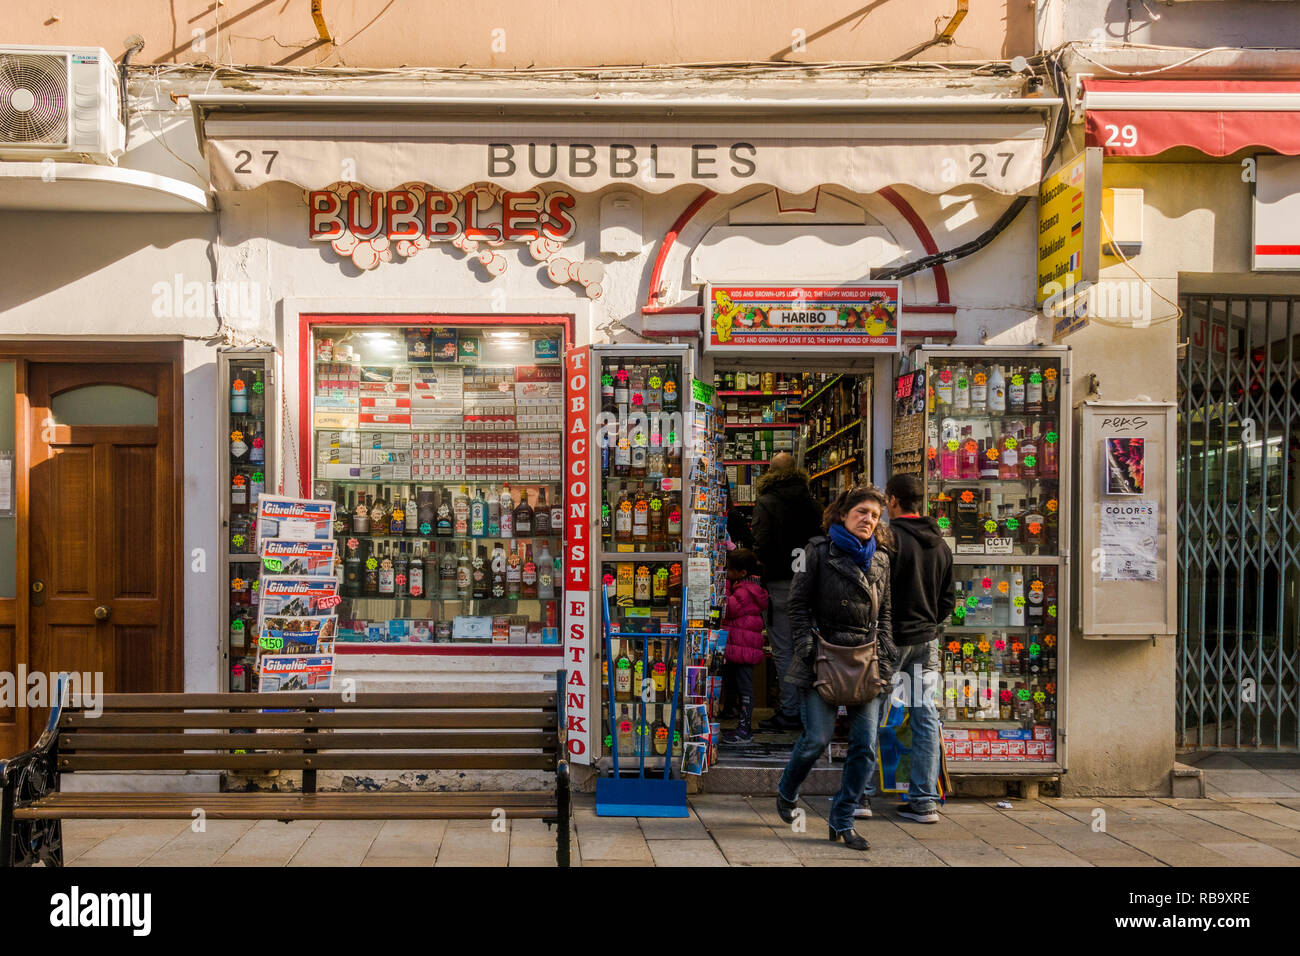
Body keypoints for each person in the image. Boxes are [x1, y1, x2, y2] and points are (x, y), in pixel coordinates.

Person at [775, 485, 896, 851]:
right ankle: (786, 790)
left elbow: (886, 611)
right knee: (816, 739)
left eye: (874, 516)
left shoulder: (882, 560)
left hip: (865, 659)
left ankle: (842, 820)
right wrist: (808, 646)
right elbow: (796, 605)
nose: (868, 520)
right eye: (861, 512)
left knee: (865, 746)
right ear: (843, 514)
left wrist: (886, 652)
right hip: (824, 656)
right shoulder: (817, 551)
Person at [864, 473, 954, 824]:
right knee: (925, 715)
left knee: (870, 713)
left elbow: (875, 591)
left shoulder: (888, 541)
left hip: (889, 640)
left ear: (893, 501)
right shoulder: (941, 545)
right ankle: (924, 800)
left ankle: (861, 796)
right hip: (925, 642)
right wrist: (928, 621)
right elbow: (948, 600)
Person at [751, 452, 823, 733]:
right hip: (810, 584)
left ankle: (790, 711)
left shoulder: (767, 502)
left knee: (783, 648)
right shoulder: (812, 503)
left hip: (780, 582)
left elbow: (762, 543)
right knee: (809, 647)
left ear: (770, 472)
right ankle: (810, 712)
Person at [719, 549, 769, 744]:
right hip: (740, 646)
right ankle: (741, 725)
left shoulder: (744, 591)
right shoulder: (748, 587)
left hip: (743, 648)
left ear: (742, 573)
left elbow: (729, 609)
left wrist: (724, 587)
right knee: (739, 686)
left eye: (730, 570)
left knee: (745, 688)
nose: (727, 573)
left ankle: (745, 729)